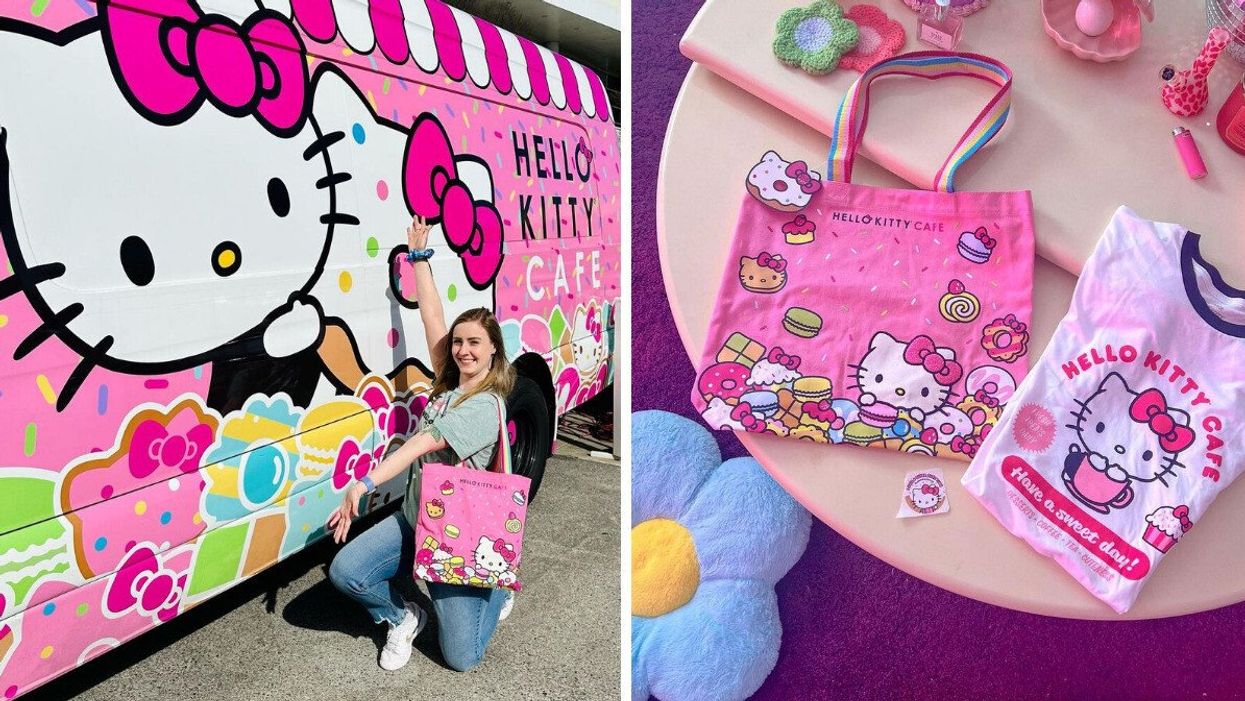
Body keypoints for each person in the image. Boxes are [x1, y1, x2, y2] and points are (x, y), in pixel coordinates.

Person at [326, 214, 515, 672]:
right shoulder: (450, 380)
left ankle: (496, 590)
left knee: (461, 658)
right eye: (459, 343)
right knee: (346, 572)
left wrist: (362, 484)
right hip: (417, 519)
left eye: (475, 343)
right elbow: (431, 314)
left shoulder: (483, 406)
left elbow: (415, 447)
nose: (463, 350)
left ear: (494, 349)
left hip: (458, 536)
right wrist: (419, 258)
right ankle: (403, 615)